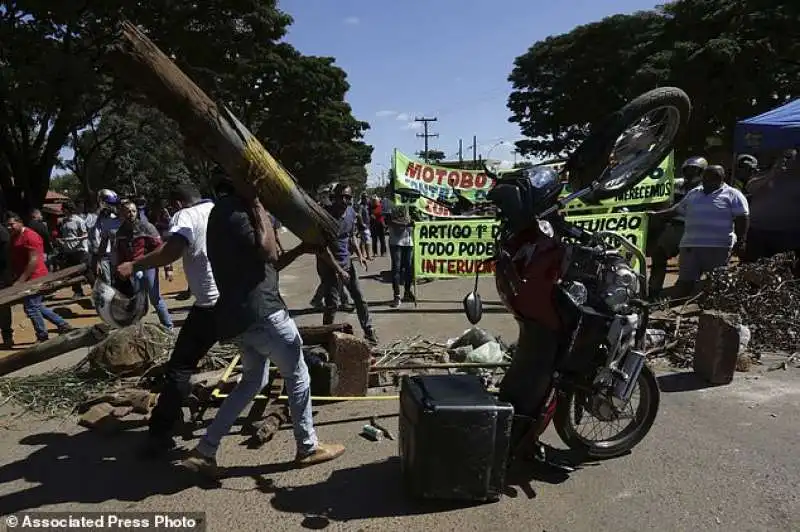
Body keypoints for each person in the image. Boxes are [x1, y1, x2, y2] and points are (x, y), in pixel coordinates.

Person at [180, 182, 345, 476]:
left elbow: (268, 264)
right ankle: (307, 447)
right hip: (263, 313)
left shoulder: (221, 214)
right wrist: (257, 205)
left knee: (253, 381)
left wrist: (300, 249)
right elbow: (268, 251)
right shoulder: (240, 213)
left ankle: (205, 450)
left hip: (238, 319)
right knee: (298, 374)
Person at [117, 184, 219, 458]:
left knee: (179, 368)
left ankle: (160, 433)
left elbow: (171, 252)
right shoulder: (217, 210)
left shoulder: (185, 216)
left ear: (176, 203)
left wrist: (134, 265)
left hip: (209, 305)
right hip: (234, 300)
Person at [650, 164, 749, 297]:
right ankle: (676, 309)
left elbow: (742, 217)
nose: (708, 180)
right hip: (690, 246)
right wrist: (656, 215)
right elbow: (676, 210)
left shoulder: (733, 195)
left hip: (718, 247)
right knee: (685, 282)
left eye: (713, 177)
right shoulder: (694, 193)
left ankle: (712, 311)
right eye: (706, 177)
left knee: (716, 283)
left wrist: (741, 240)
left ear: (721, 178)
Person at [317, 184, 378, 344]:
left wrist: (360, 255)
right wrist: (338, 269)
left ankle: (369, 330)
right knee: (332, 304)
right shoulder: (325, 216)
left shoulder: (351, 213)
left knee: (359, 297)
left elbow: (351, 237)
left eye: (348, 197)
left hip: (346, 263)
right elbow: (322, 249)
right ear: (334, 197)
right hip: (328, 266)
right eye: (342, 197)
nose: (345, 201)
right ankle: (326, 337)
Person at [5, 212, 73, 342]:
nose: (9, 228)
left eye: (11, 225)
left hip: (36, 277)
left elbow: (33, 261)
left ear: (20, 223)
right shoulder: (14, 236)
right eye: (7, 225)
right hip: (24, 277)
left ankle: (42, 336)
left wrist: (21, 280)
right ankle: (62, 324)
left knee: (31, 308)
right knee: (36, 306)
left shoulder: (30, 236)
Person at [648, 156, 707, 299]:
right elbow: (660, 189)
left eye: (695, 170)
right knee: (659, 255)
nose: (690, 173)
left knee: (691, 263)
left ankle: (690, 292)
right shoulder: (677, 184)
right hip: (674, 226)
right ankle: (654, 290)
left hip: (693, 227)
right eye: (688, 169)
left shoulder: (704, 189)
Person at [114, 201, 173, 329]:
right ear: (123, 213)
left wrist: (168, 268)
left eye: (133, 211)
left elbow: (161, 248)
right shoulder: (121, 232)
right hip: (133, 269)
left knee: (155, 298)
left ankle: (168, 326)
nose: (131, 214)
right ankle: (137, 328)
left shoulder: (146, 227)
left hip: (148, 266)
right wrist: (120, 269)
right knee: (138, 300)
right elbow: (120, 253)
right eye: (128, 211)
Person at [742, 148, 800, 267]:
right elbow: (750, 188)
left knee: (783, 269)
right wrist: (772, 174)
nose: (785, 161)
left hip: (787, 233)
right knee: (754, 268)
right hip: (758, 231)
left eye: (789, 158)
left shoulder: (796, 178)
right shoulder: (763, 174)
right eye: (783, 158)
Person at [57, 201, 90, 298]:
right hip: (68, 251)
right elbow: (62, 235)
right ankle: (78, 291)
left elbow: (85, 234)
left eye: (64, 209)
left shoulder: (78, 221)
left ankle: (95, 289)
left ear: (68, 209)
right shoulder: (63, 221)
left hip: (79, 251)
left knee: (86, 272)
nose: (62, 211)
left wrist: (77, 239)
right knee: (72, 273)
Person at [386, 201, 415, 307]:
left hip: (408, 241)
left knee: (409, 269)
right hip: (396, 242)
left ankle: (407, 292)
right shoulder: (389, 204)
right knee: (396, 269)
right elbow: (389, 221)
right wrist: (406, 224)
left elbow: (412, 219)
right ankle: (397, 296)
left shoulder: (408, 203)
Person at [90, 189, 122, 285]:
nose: (112, 207)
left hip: (115, 254)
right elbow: (91, 229)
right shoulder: (96, 217)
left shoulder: (117, 218)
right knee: (106, 282)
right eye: (109, 204)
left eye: (114, 204)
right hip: (100, 253)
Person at [0, 220, 12, 348]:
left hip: (2, 277)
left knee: (3, 308)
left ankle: (7, 336)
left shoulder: (2, 233)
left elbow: (6, 257)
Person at [357, 193, 372, 261]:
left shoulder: (366, 206)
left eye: (367, 197)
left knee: (363, 241)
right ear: (363, 199)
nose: (367, 199)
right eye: (366, 198)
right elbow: (359, 215)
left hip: (367, 225)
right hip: (364, 227)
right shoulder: (361, 206)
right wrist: (362, 223)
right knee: (367, 240)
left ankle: (363, 255)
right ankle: (368, 256)